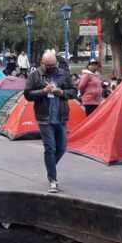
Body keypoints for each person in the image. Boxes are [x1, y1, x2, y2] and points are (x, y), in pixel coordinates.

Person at [24, 50, 77, 193]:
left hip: (61, 117)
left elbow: (74, 91)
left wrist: (61, 93)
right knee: (50, 148)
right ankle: (53, 179)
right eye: (48, 65)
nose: (51, 67)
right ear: (42, 62)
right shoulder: (35, 76)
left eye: (53, 64)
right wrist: (43, 91)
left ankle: (50, 166)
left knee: (62, 148)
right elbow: (27, 95)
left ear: (56, 63)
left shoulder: (63, 74)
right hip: (44, 118)